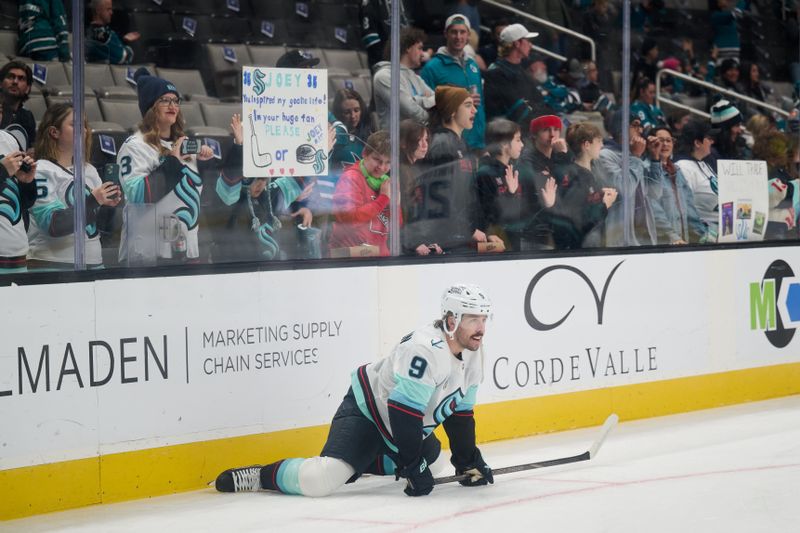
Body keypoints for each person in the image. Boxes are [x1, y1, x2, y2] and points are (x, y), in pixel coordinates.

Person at [215, 284, 495, 498]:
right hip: (369, 413)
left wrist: (466, 459)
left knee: (436, 467)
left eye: (483, 319)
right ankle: (260, 476)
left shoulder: (474, 351)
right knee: (321, 480)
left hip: (400, 426)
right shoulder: (424, 350)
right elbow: (402, 412)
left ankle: (362, 460)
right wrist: (411, 464)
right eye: (473, 319)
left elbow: (461, 414)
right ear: (451, 321)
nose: (481, 328)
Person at [117, 68, 214, 264]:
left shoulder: (184, 145)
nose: (172, 105)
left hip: (188, 252)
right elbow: (138, 197)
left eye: (175, 100)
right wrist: (172, 161)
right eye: (165, 100)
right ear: (151, 107)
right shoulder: (134, 146)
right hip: (149, 254)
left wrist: (206, 164)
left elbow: (199, 198)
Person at [27, 103, 121, 269]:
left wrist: (109, 206)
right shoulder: (41, 170)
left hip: (94, 262)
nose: (83, 130)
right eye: (75, 125)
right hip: (52, 264)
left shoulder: (89, 170)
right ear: (54, 132)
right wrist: (94, 201)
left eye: (84, 125)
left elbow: (98, 226)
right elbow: (53, 225)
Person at [420, 14, 486, 151]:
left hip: (477, 141)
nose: (458, 37)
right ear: (446, 34)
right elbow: (427, 105)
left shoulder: (472, 65)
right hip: (449, 144)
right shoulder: (432, 68)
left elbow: (481, 105)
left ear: (468, 35)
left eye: (462, 32)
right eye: (454, 32)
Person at [593, 111, 658, 247]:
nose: (640, 130)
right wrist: (635, 157)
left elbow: (655, 193)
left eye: (640, 126)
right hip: (620, 242)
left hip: (644, 239)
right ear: (620, 128)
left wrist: (655, 159)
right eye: (635, 125)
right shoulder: (605, 155)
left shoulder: (636, 155)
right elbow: (624, 189)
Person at [551, 122, 617, 249]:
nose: (602, 145)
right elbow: (578, 218)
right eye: (599, 141)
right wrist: (604, 205)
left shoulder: (589, 172)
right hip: (581, 250)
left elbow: (586, 203)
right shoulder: (576, 176)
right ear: (587, 145)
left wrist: (600, 195)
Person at [328, 130, 393, 256]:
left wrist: (394, 205)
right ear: (364, 154)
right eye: (377, 160)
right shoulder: (351, 177)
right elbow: (350, 219)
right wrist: (383, 199)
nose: (381, 167)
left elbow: (397, 224)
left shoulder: (386, 182)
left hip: (377, 255)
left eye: (387, 162)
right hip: (351, 256)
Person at [646, 126, 708, 244]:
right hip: (661, 243)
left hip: (682, 241)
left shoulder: (677, 170)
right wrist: (672, 236)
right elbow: (653, 209)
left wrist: (703, 234)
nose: (665, 144)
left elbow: (689, 208)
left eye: (668, 140)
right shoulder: (646, 169)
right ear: (651, 144)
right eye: (660, 140)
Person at [475, 118, 528, 251]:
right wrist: (510, 194)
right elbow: (489, 215)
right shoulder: (485, 174)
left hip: (515, 242)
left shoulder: (513, 170)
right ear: (504, 144)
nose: (522, 144)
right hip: (496, 244)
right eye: (517, 140)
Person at [483, 23, 548, 126]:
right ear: (517, 43)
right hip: (504, 134)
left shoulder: (522, 72)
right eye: (528, 41)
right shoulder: (495, 74)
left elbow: (538, 101)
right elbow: (514, 110)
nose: (530, 45)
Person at [516, 114, 565, 249]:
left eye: (556, 129)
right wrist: (562, 157)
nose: (552, 134)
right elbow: (545, 188)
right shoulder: (527, 159)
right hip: (535, 234)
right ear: (534, 135)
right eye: (546, 130)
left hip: (556, 229)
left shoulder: (557, 156)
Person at [372, 27, 435, 129]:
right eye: (419, 48)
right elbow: (411, 111)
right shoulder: (384, 76)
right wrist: (434, 119)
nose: (422, 54)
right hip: (395, 142)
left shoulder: (415, 77)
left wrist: (416, 100)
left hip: (418, 140)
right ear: (408, 48)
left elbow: (437, 100)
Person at [674, 119, 720, 241]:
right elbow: (685, 207)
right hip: (704, 236)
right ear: (697, 143)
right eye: (708, 138)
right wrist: (702, 234)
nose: (712, 141)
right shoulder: (683, 167)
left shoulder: (705, 163)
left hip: (720, 230)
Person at [751, 130, 800, 240]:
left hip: (784, 227)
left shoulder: (779, 170)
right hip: (771, 229)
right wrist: (796, 185)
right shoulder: (765, 171)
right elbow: (776, 195)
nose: (787, 153)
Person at [0, 129, 37, 273]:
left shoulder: (9, 139)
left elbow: (26, 203)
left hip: (16, 252)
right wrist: (2, 170)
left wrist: (26, 182)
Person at [86, 0, 140, 65]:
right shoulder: (102, 35)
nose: (111, 12)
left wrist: (123, 39)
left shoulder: (93, 31)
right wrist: (128, 49)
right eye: (108, 9)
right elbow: (122, 57)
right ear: (98, 10)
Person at [0, 61, 37, 150]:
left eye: (21, 79)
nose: (15, 82)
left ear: (28, 88)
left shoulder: (28, 116)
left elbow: (30, 148)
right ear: (0, 84)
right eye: (10, 77)